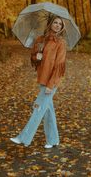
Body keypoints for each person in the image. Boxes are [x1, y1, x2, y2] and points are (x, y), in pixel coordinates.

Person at [10, 15, 67, 148]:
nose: (58, 25)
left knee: (38, 108)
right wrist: (37, 57)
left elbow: (59, 67)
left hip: (51, 82)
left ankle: (24, 138)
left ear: (62, 27)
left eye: (60, 24)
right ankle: (53, 140)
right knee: (48, 110)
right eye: (55, 22)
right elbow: (33, 58)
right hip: (42, 78)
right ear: (50, 24)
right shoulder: (40, 40)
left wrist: (51, 85)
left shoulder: (60, 43)